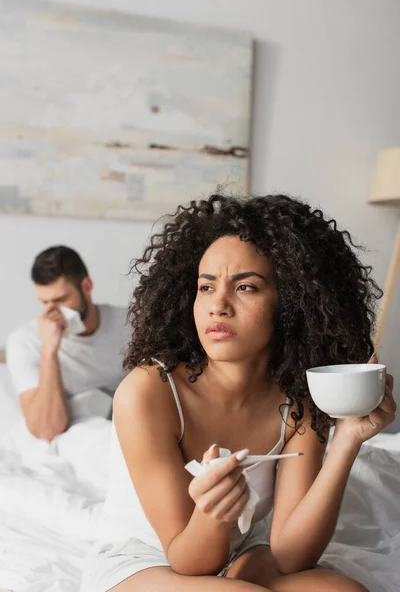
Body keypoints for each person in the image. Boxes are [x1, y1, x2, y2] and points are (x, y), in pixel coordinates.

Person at [80, 193, 396, 592]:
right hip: (150, 560)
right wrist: (215, 512)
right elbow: (189, 560)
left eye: (246, 287)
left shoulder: (297, 401)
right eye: (206, 287)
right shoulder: (148, 393)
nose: (218, 306)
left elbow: (290, 555)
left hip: (244, 552)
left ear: (292, 302)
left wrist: (348, 438)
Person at [6, 245, 128, 441]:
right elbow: (46, 430)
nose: (52, 313)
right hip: (79, 437)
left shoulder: (129, 323)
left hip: (127, 423)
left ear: (86, 287)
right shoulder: (25, 342)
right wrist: (49, 350)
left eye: (61, 300)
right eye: (44, 303)